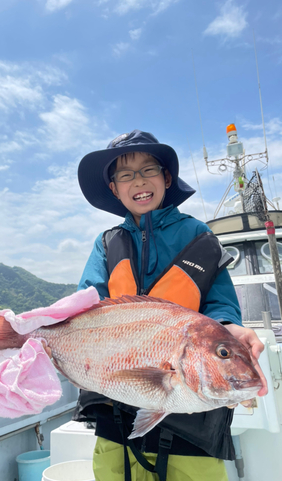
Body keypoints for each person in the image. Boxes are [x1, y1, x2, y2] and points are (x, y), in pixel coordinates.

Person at [72, 130, 267, 481]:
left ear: (166, 178)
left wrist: (231, 329)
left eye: (148, 170)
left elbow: (220, 304)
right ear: (114, 188)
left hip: (192, 419)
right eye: (126, 174)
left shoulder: (198, 234)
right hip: (115, 414)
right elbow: (85, 305)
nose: (139, 181)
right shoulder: (107, 243)